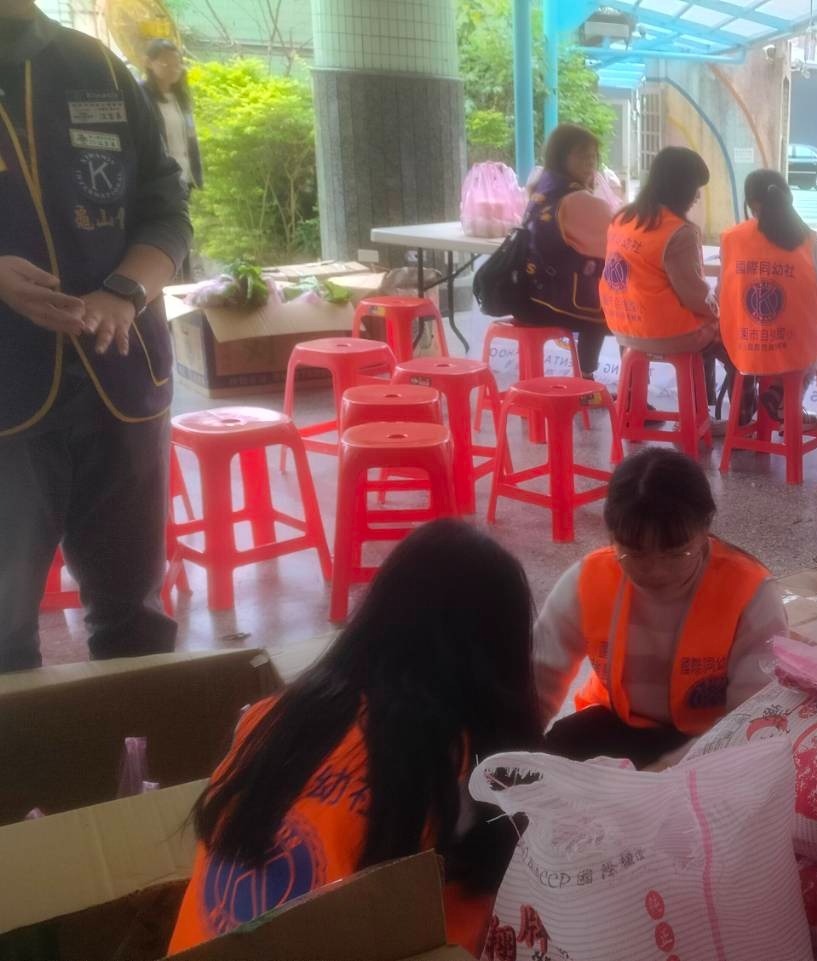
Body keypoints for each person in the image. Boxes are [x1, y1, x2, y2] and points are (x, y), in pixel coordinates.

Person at [169, 520, 541, 955]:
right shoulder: (449, 759)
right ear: (495, 664)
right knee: (495, 894)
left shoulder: (268, 715)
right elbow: (494, 865)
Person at [0, 2, 192, 672]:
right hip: (8, 398)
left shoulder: (97, 69)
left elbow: (167, 210)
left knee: (133, 619)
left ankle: (139, 741)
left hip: (121, 379)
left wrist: (124, 292)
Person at [533, 447, 786, 765]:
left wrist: (664, 772)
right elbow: (539, 679)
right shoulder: (588, 581)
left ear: (705, 529)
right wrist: (516, 753)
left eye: (676, 553)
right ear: (612, 536)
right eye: (635, 554)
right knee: (545, 763)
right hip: (613, 722)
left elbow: (751, 716)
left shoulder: (750, 593)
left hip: (708, 739)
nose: (656, 571)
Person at [600, 146, 726, 427]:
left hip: (622, 327)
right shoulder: (680, 231)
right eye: (695, 188)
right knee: (728, 337)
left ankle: (639, 407)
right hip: (669, 334)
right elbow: (694, 296)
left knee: (706, 327)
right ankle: (703, 419)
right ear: (681, 188)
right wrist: (719, 309)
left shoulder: (622, 218)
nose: (697, 196)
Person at [718, 168, 817, 421]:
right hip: (794, 352)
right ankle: (785, 400)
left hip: (743, 348)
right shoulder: (808, 241)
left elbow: (723, 294)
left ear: (751, 204)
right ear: (788, 198)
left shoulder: (730, 239)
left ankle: (746, 414)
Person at [517, 123, 611, 377]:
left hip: (528, 297)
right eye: (581, 155)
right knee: (620, 312)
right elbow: (614, 242)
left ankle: (583, 378)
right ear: (561, 157)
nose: (590, 162)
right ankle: (607, 383)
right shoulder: (579, 199)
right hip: (560, 304)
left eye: (593, 156)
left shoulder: (541, 188)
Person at [140, 39, 200, 192]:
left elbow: (190, 137)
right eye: (166, 63)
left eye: (177, 63)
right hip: (158, 180)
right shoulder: (141, 96)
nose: (174, 68)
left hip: (184, 177)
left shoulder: (181, 97)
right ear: (149, 63)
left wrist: (195, 173)